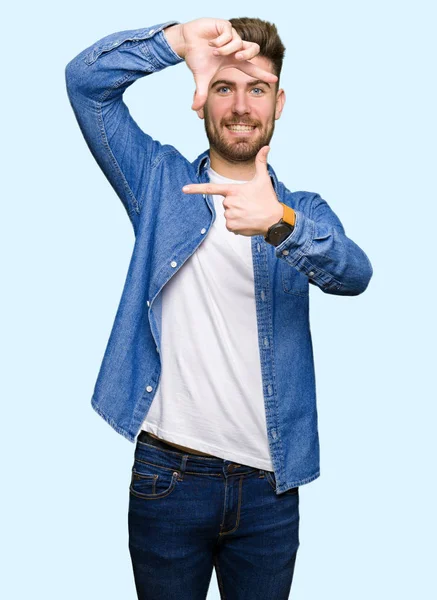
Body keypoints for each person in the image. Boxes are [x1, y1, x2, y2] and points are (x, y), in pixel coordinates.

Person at [65, 17, 373, 599]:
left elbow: (354, 275)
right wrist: (176, 42)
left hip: (269, 490)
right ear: (203, 97)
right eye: (225, 86)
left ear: (278, 103)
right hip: (168, 480)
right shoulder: (159, 184)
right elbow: (85, 84)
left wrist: (279, 224)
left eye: (256, 88)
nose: (240, 106)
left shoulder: (301, 210)